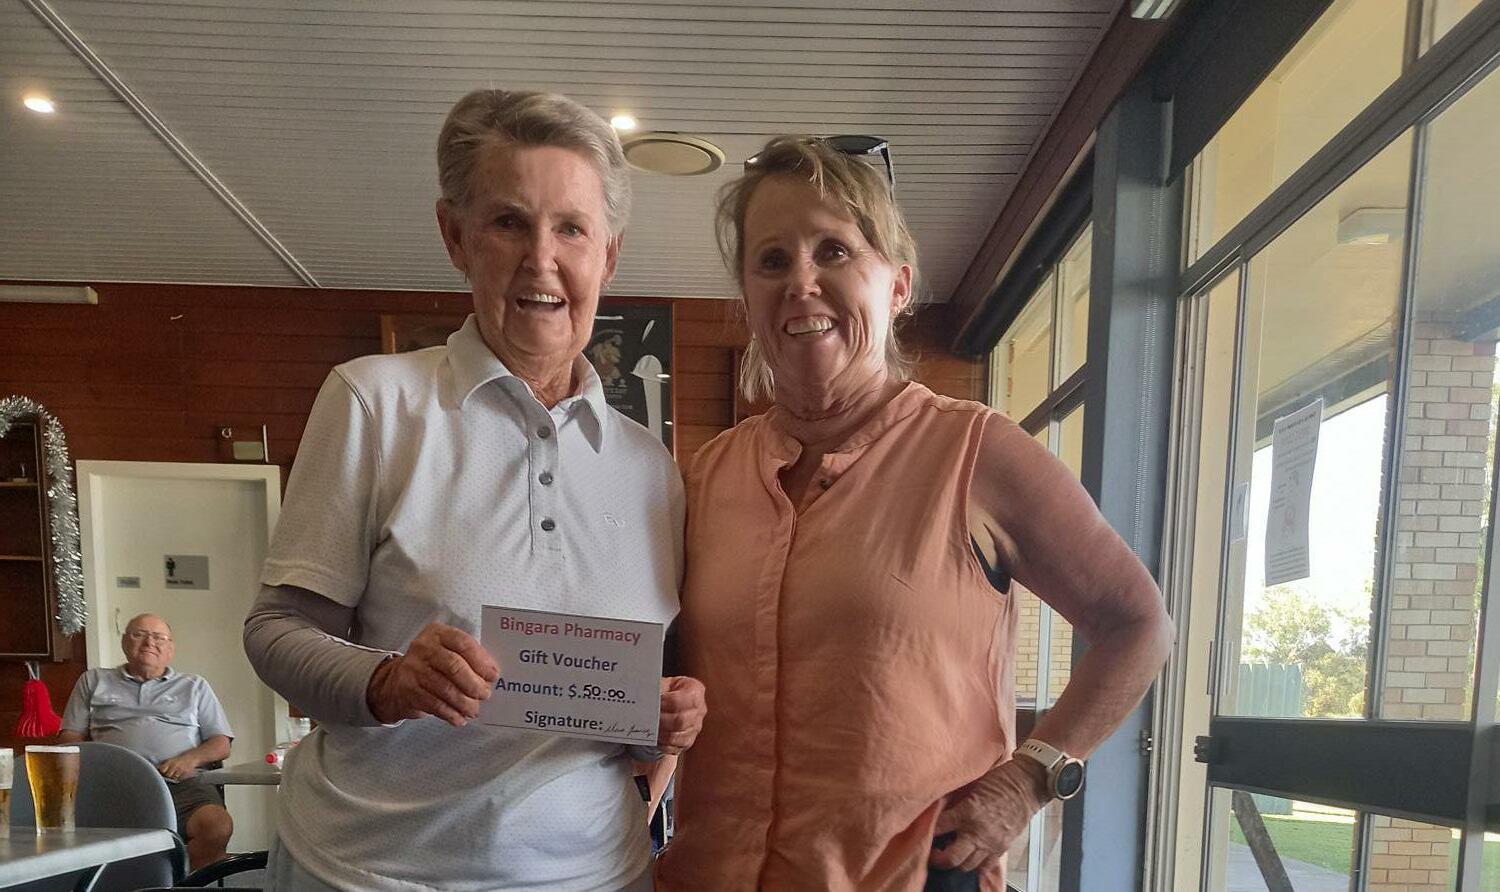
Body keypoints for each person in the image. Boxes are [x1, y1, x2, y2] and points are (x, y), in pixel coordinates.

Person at [653, 137, 1175, 891]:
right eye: (772, 261)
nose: (801, 282)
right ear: (747, 296)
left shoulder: (976, 452)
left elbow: (1138, 623)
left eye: (834, 251)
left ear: (897, 286)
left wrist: (1031, 777)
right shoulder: (705, 476)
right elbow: (670, 673)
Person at [242, 89, 706, 892]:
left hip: (595, 875)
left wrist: (663, 717)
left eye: (571, 228)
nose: (541, 259)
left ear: (609, 255)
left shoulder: (650, 469)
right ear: (454, 236)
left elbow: (626, 702)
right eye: (508, 222)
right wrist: (386, 681)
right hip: (372, 873)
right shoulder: (374, 402)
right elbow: (275, 632)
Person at [60, 613, 234, 870]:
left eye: (159, 637)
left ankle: (186, 884)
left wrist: (189, 759)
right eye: (139, 634)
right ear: (124, 642)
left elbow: (221, 743)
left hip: (182, 785)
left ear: (171, 648)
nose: (149, 642)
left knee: (217, 826)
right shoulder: (93, 680)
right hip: (112, 785)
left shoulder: (194, 686)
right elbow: (70, 738)